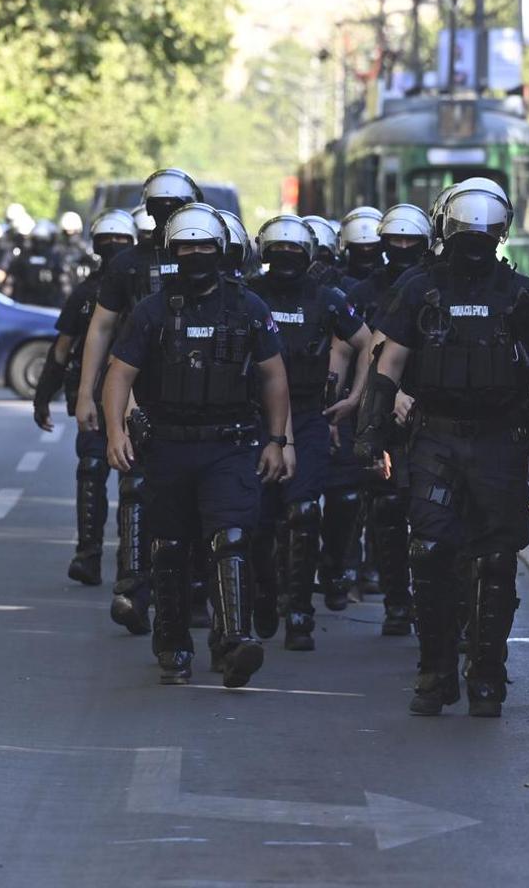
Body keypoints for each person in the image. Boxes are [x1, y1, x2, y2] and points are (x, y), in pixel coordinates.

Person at [357, 189, 529, 717]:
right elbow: (387, 367)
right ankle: (435, 672)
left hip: (499, 438)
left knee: (495, 558)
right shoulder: (419, 289)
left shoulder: (521, 294)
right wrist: (374, 430)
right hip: (436, 437)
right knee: (430, 551)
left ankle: (487, 673)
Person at [100, 204, 294, 688]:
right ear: (172, 251)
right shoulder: (152, 311)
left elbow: (273, 377)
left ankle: (234, 641)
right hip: (166, 444)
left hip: (229, 443)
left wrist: (278, 440)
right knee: (169, 547)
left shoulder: (249, 308)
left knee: (230, 537)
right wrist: (115, 433)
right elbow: (119, 374)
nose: (196, 254)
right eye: (185, 246)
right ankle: (172, 645)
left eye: (204, 245)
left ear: (221, 250)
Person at [76, 169, 202, 634]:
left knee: (198, 498)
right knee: (135, 487)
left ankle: (197, 591)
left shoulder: (216, 256)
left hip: (204, 398)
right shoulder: (128, 264)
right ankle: (131, 587)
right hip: (138, 393)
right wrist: (89, 393)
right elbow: (102, 329)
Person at [249, 216, 374, 650]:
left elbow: (369, 346)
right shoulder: (249, 297)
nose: (285, 259)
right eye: (277, 251)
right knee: (257, 521)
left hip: (308, 416)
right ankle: (264, 595)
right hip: (255, 420)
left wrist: (355, 396)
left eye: (294, 251)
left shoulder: (329, 299)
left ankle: (300, 610)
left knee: (303, 512)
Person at [32, 209, 137, 586]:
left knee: (135, 484)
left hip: (137, 401)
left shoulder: (146, 289)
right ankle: (88, 554)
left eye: (121, 241)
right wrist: (43, 396)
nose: (114, 249)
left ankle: (133, 562)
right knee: (92, 470)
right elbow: (62, 350)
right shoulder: (85, 293)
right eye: (107, 242)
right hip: (92, 397)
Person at [346, 204, 434, 636]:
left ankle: (437, 607)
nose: (401, 249)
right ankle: (398, 600)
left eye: (409, 241)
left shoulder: (433, 287)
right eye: (393, 241)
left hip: (433, 413)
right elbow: (365, 354)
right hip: (382, 411)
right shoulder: (363, 292)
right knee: (386, 507)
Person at [317, 206, 382, 608]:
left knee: (380, 495)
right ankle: (339, 568)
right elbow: (344, 350)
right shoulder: (342, 292)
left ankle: (368, 569)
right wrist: (340, 399)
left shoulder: (402, 286)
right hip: (337, 402)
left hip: (387, 400)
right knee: (343, 494)